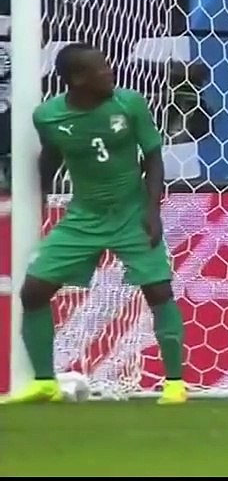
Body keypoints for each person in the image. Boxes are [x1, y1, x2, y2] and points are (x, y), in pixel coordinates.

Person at [6, 44, 186, 405]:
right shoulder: (49, 116)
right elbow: (52, 155)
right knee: (34, 292)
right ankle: (44, 382)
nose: (110, 72)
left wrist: (152, 211)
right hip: (84, 217)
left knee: (158, 292)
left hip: (131, 214)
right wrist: (37, 197)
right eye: (101, 69)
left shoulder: (129, 103)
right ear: (78, 79)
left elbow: (152, 157)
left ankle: (175, 384)